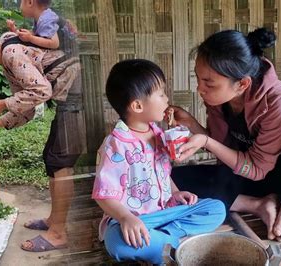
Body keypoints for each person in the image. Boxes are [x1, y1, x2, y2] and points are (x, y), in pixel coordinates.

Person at [0, 21, 82, 252]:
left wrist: (2, 104)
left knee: (60, 162)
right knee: (51, 159)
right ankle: (54, 220)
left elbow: (42, 91)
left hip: (79, 95)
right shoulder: (8, 55)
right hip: (70, 98)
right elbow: (27, 108)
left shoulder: (11, 53)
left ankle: (59, 233)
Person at [168, 28, 281, 241]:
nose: (199, 89)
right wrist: (189, 122)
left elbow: (258, 169)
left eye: (209, 83)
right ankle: (258, 205)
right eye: (199, 79)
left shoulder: (279, 102)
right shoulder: (220, 99)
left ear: (242, 84)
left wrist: (205, 141)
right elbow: (221, 145)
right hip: (242, 174)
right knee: (169, 181)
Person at [92, 59, 226, 264]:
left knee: (216, 209)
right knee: (117, 241)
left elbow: (163, 173)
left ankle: (164, 240)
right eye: (161, 94)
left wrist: (175, 192)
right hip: (132, 219)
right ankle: (172, 245)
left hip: (164, 214)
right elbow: (103, 195)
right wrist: (126, 218)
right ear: (137, 105)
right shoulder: (116, 145)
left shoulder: (158, 134)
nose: (167, 99)